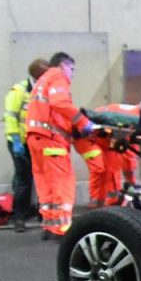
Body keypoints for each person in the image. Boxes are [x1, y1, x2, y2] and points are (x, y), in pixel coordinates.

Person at [25, 52, 99, 240]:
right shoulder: (57, 76)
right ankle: (63, 229)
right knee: (62, 183)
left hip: (36, 139)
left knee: (45, 184)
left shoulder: (41, 82)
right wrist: (83, 123)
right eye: (72, 69)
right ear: (63, 65)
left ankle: (50, 225)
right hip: (52, 140)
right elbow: (60, 104)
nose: (72, 74)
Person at [88, 99, 141, 207]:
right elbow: (128, 154)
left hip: (98, 134)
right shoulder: (136, 119)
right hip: (94, 135)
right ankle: (111, 202)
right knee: (108, 169)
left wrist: (132, 184)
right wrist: (132, 183)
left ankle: (102, 202)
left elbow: (129, 148)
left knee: (105, 169)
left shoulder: (134, 115)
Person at [3, 58, 49, 232]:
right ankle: (19, 217)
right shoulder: (19, 90)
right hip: (19, 142)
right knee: (23, 180)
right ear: (37, 75)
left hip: (37, 142)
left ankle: (39, 210)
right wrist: (15, 140)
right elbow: (10, 116)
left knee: (41, 178)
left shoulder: (45, 91)